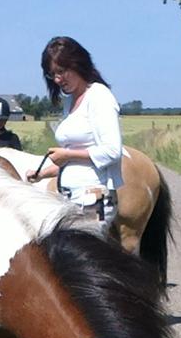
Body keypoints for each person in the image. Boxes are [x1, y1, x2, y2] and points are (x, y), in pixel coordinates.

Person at [27, 36, 124, 224]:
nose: (57, 79)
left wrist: (67, 154)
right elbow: (74, 160)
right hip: (71, 198)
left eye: (61, 71)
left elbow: (112, 151)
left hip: (96, 196)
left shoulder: (99, 96)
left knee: (86, 243)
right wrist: (43, 174)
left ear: (77, 64)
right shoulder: (70, 101)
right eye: (52, 74)